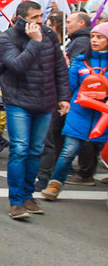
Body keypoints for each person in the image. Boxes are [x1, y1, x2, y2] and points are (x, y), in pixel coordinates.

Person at [0, 0, 70, 221]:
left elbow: (59, 68)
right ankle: (16, 202)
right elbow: (17, 65)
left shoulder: (49, 34)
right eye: (34, 17)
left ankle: (28, 196)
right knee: (20, 149)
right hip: (18, 101)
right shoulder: (6, 38)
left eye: (40, 16)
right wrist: (35, 43)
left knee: (36, 150)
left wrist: (64, 97)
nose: (39, 21)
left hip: (45, 101)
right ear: (21, 18)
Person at [40, 23, 108, 201]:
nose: (94, 40)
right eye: (93, 36)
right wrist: (62, 102)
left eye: (100, 37)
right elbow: (68, 86)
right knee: (69, 150)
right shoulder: (80, 60)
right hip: (80, 112)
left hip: (104, 116)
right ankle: (55, 184)